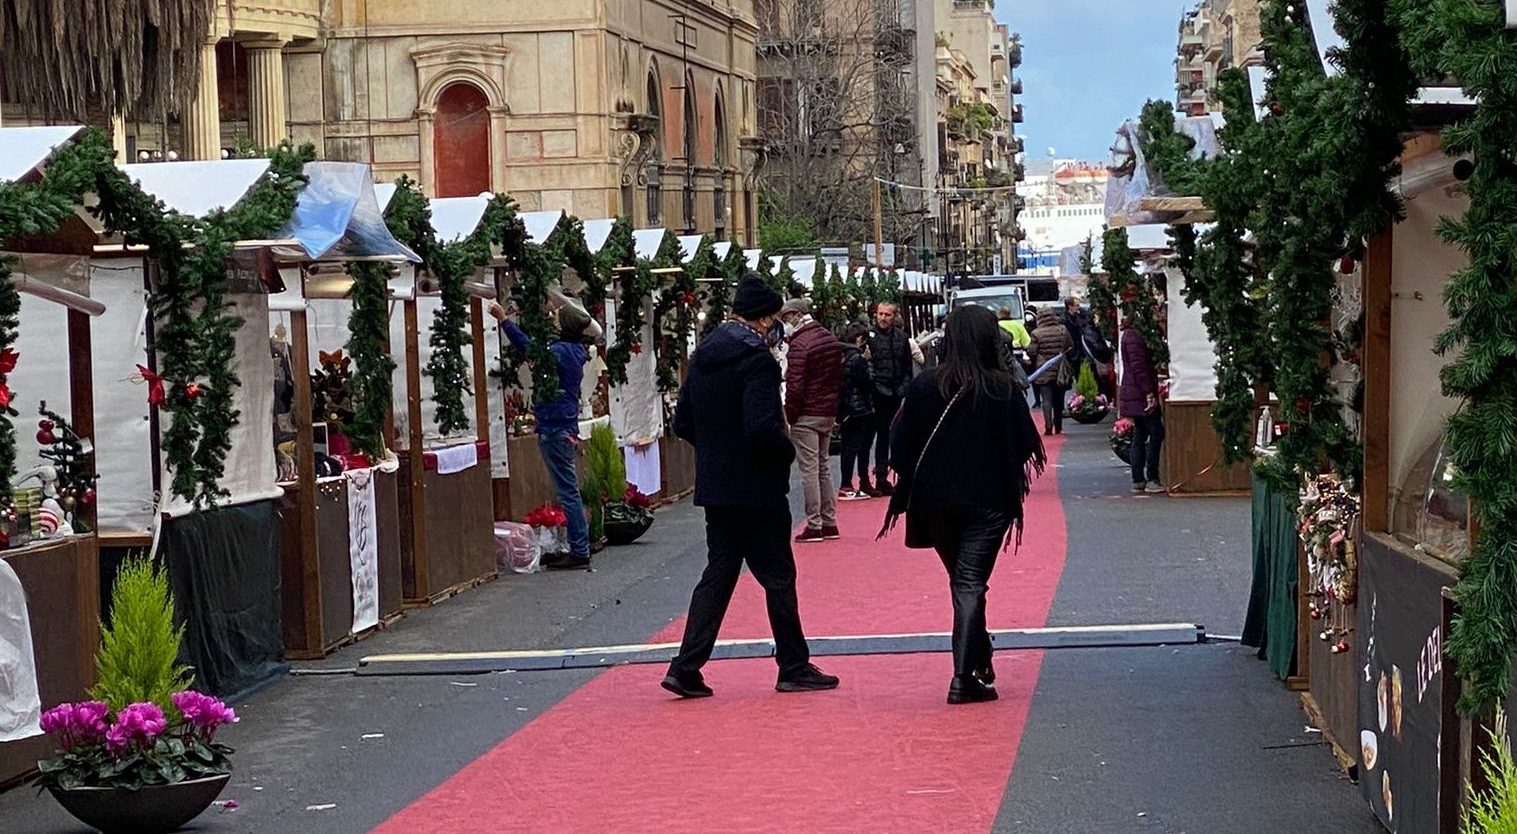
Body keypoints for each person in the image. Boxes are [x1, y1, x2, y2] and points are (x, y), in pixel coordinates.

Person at [663, 274, 839, 698]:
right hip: (757, 486)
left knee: (719, 573)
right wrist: (784, 456)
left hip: (717, 485)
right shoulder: (757, 359)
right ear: (764, 319)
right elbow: (761, 427)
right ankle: (793, 665)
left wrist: (715, 453)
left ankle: (686, 667)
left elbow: (682, 420)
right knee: (778, 575)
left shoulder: (704, 353)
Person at [881, 305, 1046, 705]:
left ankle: (978, 658)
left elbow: (899, 446)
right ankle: (962, 676)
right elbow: (1025, 446)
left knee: (963, 581)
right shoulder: (1001, 388)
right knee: (969, 583)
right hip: (987, 501)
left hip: (935, 503)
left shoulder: (925, 387)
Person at [491, 298, 597, 569]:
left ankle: (580, 549)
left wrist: (504, 320)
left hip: (555, 427)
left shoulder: (559, 352)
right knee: (568, 490)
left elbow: (530, 349)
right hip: (563, 426)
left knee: (567, 492)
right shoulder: (574, 350)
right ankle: (578, 545)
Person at [780, 298, 844, 543]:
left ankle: (814, 523)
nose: (785, 323)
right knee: (822, 466)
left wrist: (791, 414)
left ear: (796, 314)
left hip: (807, 412)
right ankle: (830, 521)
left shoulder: (800, 344)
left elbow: (795, 385)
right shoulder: (827, 337)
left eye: (786, 318)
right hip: (827, 410)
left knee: (809, 468)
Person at [866, 301, 912, 497]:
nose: (883, 318)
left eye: (887, 315)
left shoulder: (902, 338)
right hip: (876, 394)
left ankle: (899, 475)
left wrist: (903, 389)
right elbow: (867, 366)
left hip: (896, 392)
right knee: (880, 437)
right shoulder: (869, 337)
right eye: (880, 314)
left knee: (897, 435)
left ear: (895, 317)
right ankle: (881, 476)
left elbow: (907, 367)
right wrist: (877, 387)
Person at [1120, 315, 1166, 494]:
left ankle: (1138, 479)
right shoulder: (1135, 336)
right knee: (1156, 431)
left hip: (1134, 390)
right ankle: (1151, 478)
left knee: (1140, 434)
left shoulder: (1128, 335)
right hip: (1139, 391)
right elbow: (1139, 367)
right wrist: (1148, 392)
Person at [837, 324, 876, 501]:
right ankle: (856, 482)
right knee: (861, 447)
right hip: (860, 408)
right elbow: (867, 383)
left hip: (847, 409)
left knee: (848, 447)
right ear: (859, 340)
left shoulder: (842, 355)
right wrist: (867, 361)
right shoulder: (857, 359)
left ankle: (847, 483)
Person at [1027, 307, 1074, 435]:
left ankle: (1048, 427)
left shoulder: (1036, 333)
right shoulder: (1062, 330)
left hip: (1044, 369)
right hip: (1060, 369)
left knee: (1046, 399)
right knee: (1059, 399)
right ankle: (1058, 426)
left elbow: (1032, 351)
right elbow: (1070, 345)